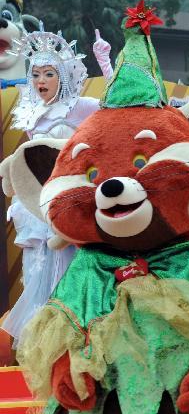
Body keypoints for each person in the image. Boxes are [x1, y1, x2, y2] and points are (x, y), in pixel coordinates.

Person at [0, 28, 110, 363]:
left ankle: (78, 339)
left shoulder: (80, 106)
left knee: (72, 270)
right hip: (38, 206)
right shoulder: (32, 114)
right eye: (35, 74)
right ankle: (49, 349)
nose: (40, 80)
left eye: (49, 73)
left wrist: (105, 62)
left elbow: (116, 105)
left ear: (63, 76)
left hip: (72, 202)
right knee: (39, 272)